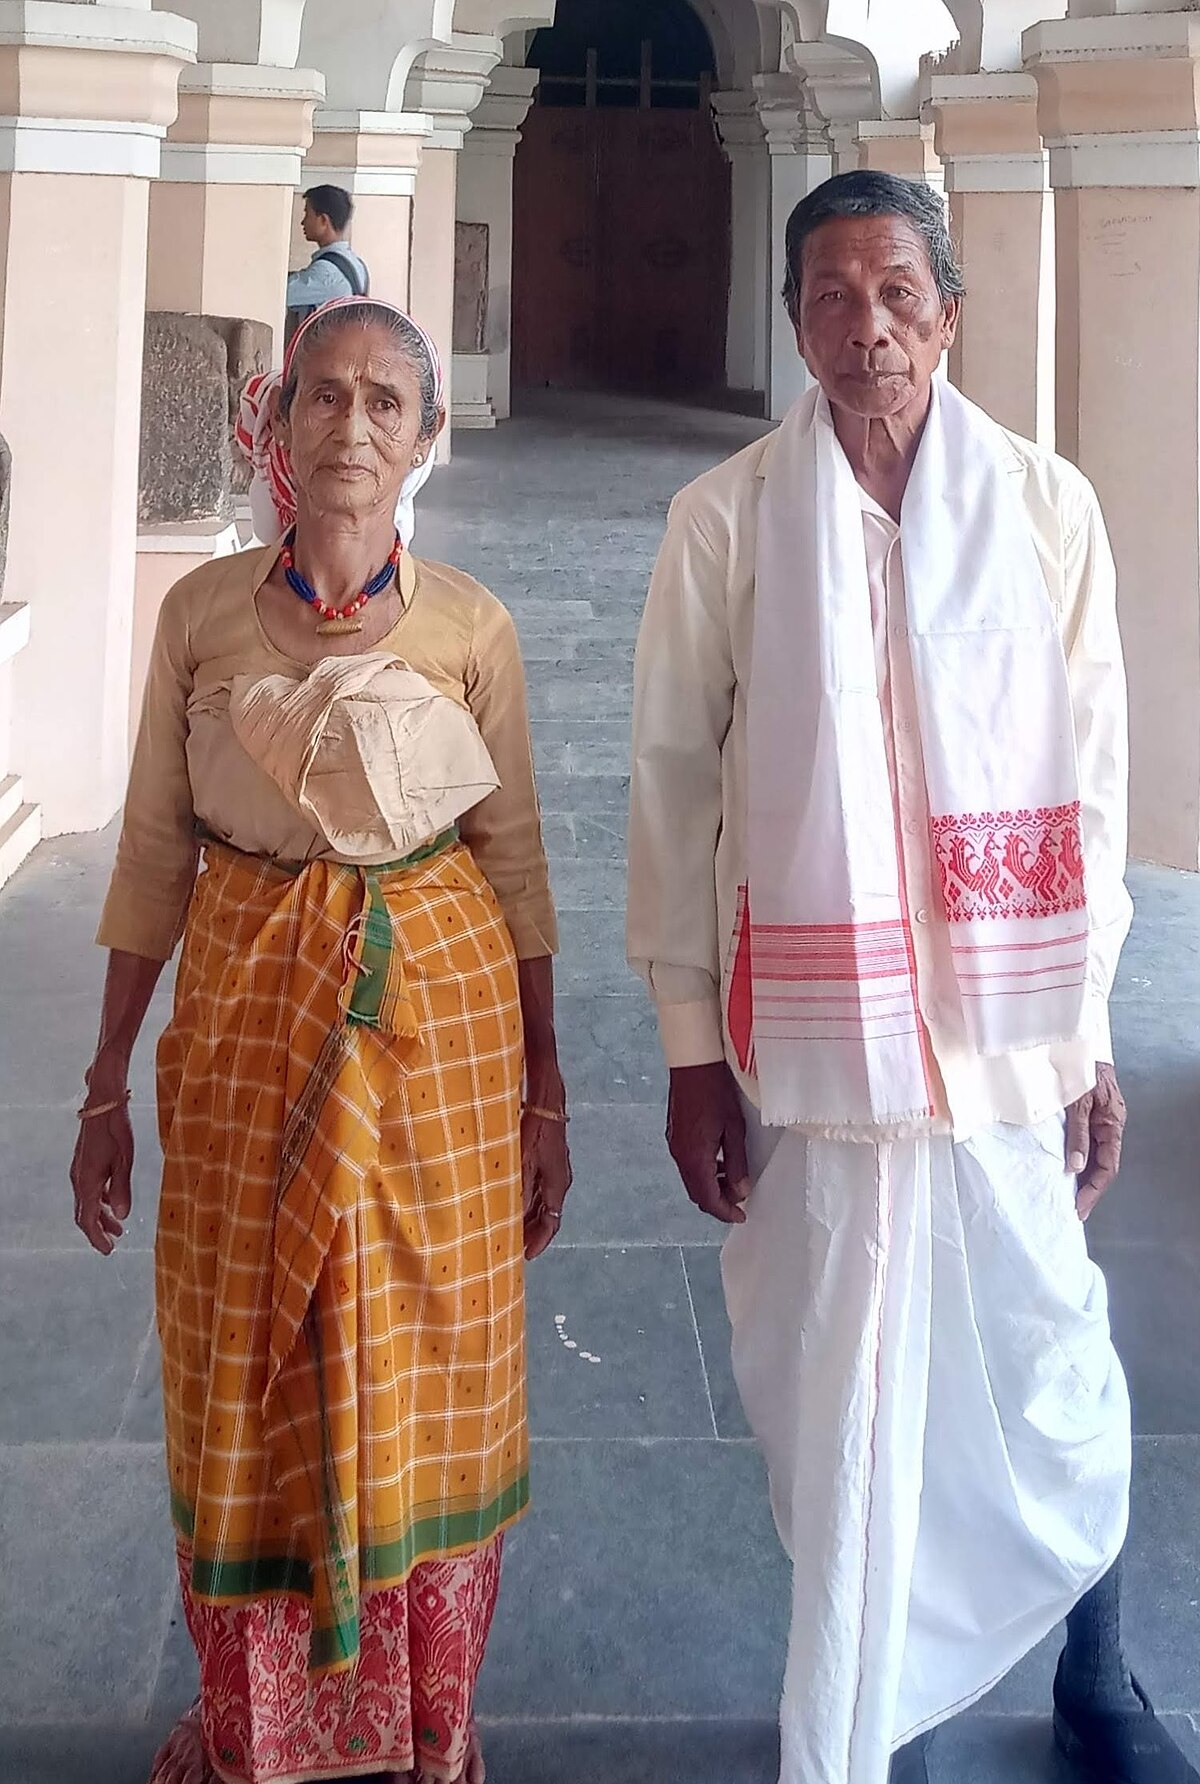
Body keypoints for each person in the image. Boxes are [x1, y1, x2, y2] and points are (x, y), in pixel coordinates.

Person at [628, 171, 1197, 1784]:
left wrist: (1085, 1030)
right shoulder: (728, 518)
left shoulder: (1044, 503)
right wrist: (686, 1043)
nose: (865, 327)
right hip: (815, 1053)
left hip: (1008, 1042)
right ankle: (880, 1700)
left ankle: (1098, 1670)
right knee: (838, 1391)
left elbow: (1089, 780)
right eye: (830, 295)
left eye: (896, 292)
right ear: (795, 316)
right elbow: (674, 781)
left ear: (950, 309)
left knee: (1049, 1364)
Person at [71, 295, 571, 1784]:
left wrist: (547, 1092)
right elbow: (155, 853)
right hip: (240, 1014)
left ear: (424, 439)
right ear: (279, 426)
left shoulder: (472, 624)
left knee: (428, 1355)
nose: (352, 427)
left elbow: (521, 858)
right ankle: (261, 1728)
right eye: (324, 398)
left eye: (385, 404)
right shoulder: (205, 618)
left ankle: (426, 1725)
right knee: (243, 1357)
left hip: (441, 1035)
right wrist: (103, 1081)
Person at [286, 186, 370, 335]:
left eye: (307, 214)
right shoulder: (358, 264)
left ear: (324, 220)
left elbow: (277, 294)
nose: (303, 222)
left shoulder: (326, 272)